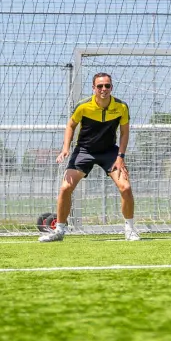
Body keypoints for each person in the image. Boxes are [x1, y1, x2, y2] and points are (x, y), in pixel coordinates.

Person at [39, 72, 140, 242]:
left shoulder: (121, 107)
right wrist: (65, 148)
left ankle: (129, 230)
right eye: (100, 86)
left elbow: (124, 133)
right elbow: (71, 125)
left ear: (111, 88)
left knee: (126, 187)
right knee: (65, 188)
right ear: (93, 88)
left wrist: (120, 156)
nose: (103, 89)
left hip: (109, 152)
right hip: (84, 151)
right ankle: (59, 231)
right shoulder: (83, 106)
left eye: (107, 85)